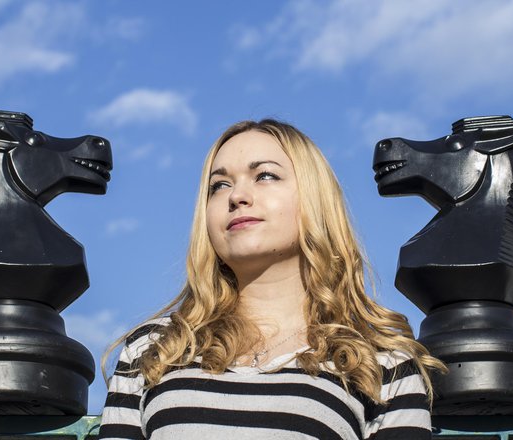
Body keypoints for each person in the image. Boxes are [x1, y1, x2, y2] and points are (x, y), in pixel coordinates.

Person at [98, 119, 445, 440]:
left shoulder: (381, 363)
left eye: (265, 176)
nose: (237, 196)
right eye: (219, 185)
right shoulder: (154, 349)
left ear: (314, 199)